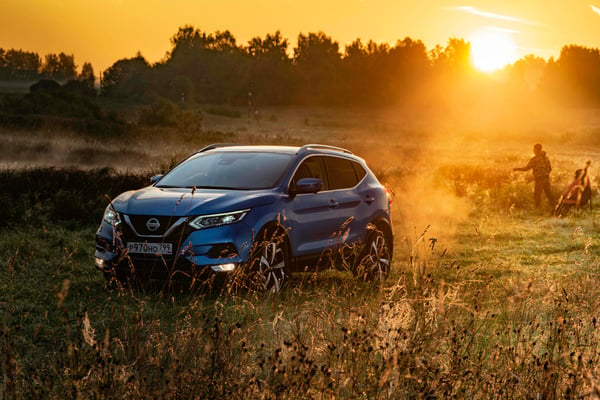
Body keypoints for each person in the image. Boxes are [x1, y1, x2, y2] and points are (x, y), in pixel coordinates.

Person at [513, 144, 555, 209]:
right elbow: (550, 168)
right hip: (546, 177)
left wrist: (517, 169)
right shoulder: (546, 158)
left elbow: (527, 168)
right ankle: (554, 206)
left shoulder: (534, 159)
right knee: (549, 193)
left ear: (536, 149)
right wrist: (545, 174)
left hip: (539, 179)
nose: (533, 151)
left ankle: (537, 208)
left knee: (537, 194)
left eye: (534, 149)